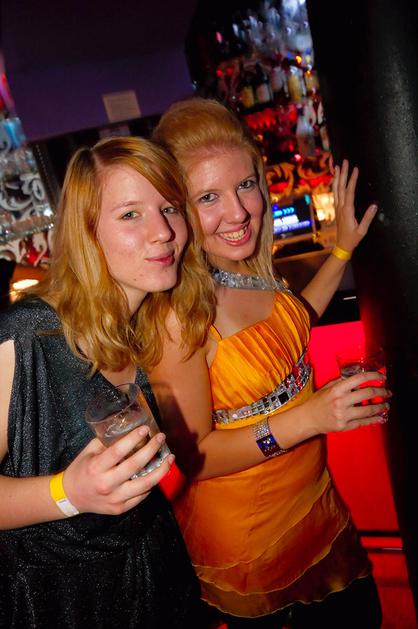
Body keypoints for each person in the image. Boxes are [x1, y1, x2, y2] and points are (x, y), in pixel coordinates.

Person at [149, 98, 389, 628]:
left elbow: (290, 323)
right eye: (208, 197)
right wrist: (311, 417)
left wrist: (342, 250)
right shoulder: (179, 315)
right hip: (252, 551)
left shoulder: (242, 270)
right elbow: (196, 457)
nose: (238, 213)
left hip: (319, 511)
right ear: (177, 209)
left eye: (245, 185)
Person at [0, 136, 211, 628]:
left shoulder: (142, 328)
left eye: (169, 208)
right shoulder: (27, 336)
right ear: (87, 232)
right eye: (130, 214)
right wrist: (68, 492)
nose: (163, 232)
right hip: (61, 604)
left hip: (156, 580)